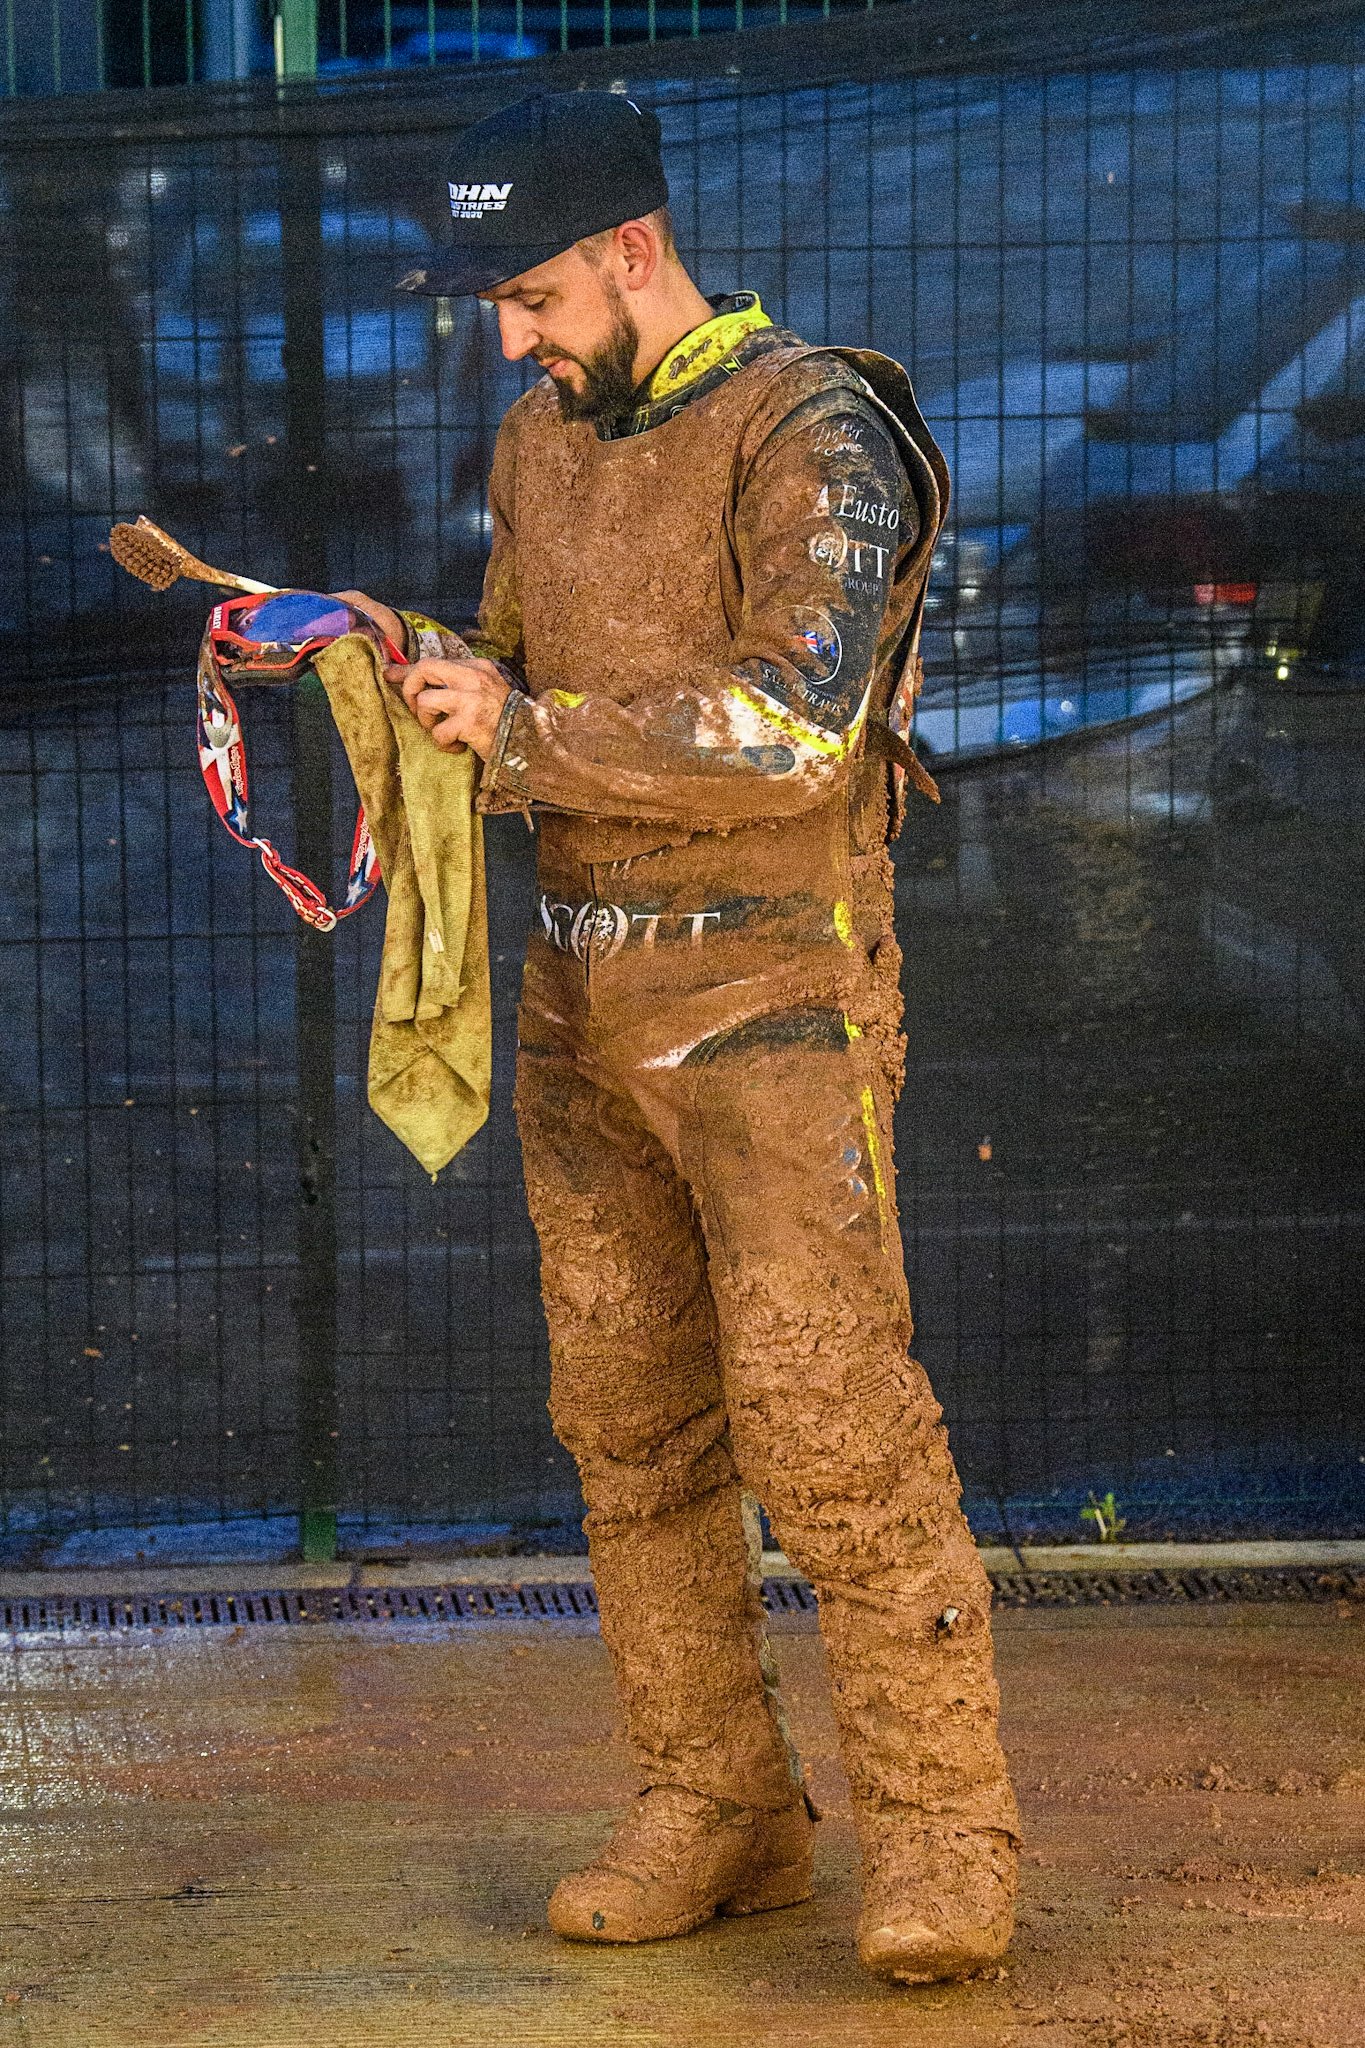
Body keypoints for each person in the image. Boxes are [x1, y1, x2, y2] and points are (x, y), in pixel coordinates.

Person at [337, 88, 1020, 1985]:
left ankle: (947, 1839)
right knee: (628, 1430)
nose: (512, 336)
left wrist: (522, 734)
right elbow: (514, 679)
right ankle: (716, 1805)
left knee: (827, 1422)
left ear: (636, 250)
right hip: (577, 1001)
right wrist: (383, 676)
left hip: (770, 1014)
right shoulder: (537, 440)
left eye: (536, 293)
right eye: (490, 302)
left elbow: (792, 728)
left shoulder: (820, 429)